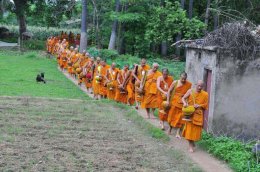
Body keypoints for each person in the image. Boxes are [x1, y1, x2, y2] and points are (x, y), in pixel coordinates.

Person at [181, 80, 208, 152]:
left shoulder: (205, 94)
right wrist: (184, 103)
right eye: (198, 85)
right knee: (189, 131)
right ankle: (190, 146)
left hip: (198, 114)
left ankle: (192, 142)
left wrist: (199, 105)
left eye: (201, 86)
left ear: (203, 87)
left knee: (196, 132)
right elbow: (183, 98)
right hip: (190, 114)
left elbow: (205, 105)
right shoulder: (190, 91)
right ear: (196, 85)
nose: (199, 87)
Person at [167, 72, 192, 138]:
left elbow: (188, 94)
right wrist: (167, 100)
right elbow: (169, 91)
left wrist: (187, 103)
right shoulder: (175, 82)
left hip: (183, 103)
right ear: (179, 77)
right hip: (174, 101)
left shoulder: (189, 84)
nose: (183, 80)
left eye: (185, 79)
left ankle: (178, 132)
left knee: (180, 118)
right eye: (182, 79)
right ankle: (170, 128)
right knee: (171, 116)